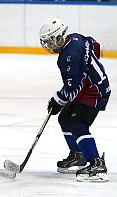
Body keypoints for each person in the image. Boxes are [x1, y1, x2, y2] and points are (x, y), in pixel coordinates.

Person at [39, 18, 111, 182]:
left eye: (50, 41)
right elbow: (95, 44)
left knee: (78, 124)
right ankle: (79, 155)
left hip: (95, 91)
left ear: (58, 37)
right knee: (64, 118)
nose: (48, 45)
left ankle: (96, 163)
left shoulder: (69, 55)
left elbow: (72, 88)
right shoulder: (76, 37)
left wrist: (58, 99)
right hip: (88, 87)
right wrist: (87, 67)